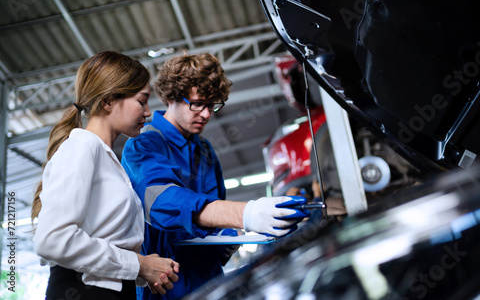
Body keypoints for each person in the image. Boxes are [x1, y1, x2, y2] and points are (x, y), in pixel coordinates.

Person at [121, 53, 308, 299]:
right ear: (171, 97)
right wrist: (247, 214)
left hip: (210, 283)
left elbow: (215, 218)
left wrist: (230, 240)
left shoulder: (206, 151)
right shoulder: (144, 144)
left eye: (212, 105)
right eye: (198, 104)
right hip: (165, 287)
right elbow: (161, 204)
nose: (207, 114)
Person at [31, 51, 180, 300]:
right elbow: (53, 239)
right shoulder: (82, 148)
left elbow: (105, 240)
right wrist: (139, 265)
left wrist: (145, 268)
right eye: (142, 101)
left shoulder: (106, 158)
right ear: (109, 101)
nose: (148, 112)